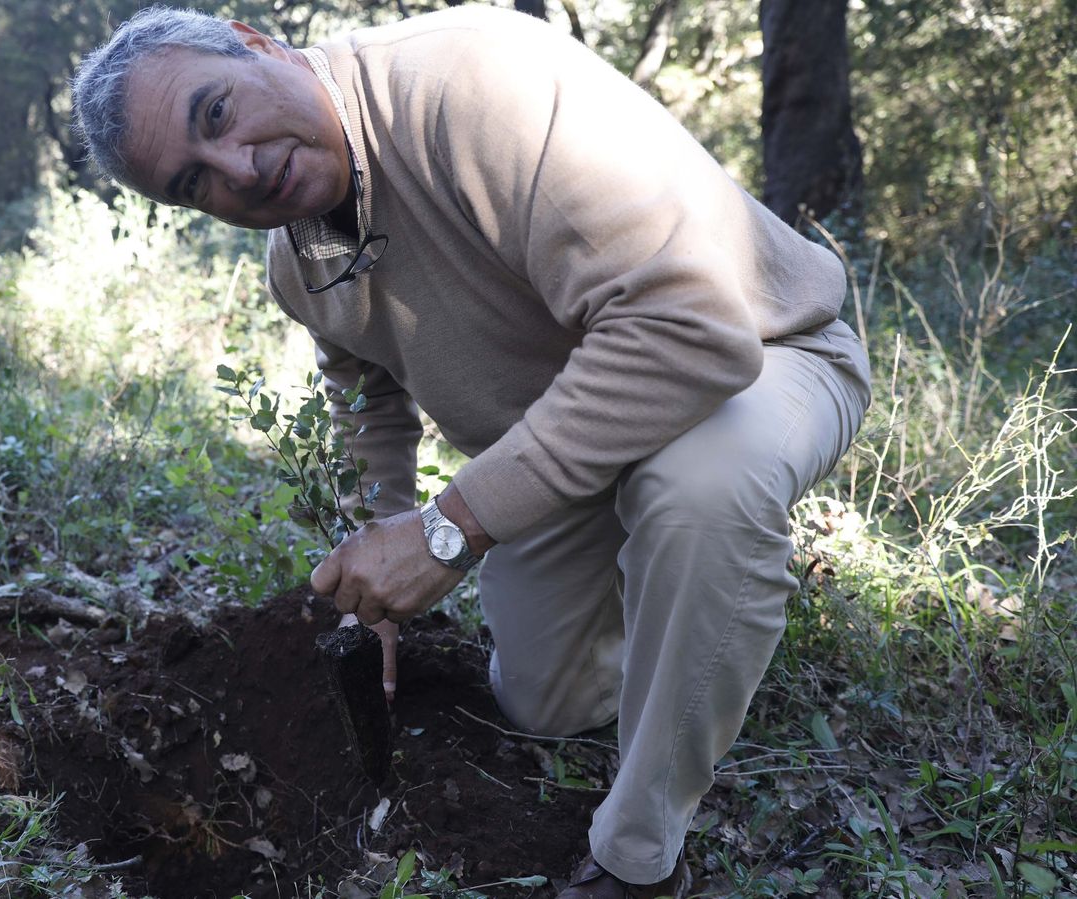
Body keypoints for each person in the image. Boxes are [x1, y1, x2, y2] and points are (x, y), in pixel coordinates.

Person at [71, 5, 871, 897]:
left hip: (760, 357)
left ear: (258, 44)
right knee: (547, 705)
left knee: (700, 492)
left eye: (214, 114)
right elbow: (367, 397)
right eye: (192, 184)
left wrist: (448, 528)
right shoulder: (300, 260)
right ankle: (674, 601)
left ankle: (641, 856)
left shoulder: (470, 85)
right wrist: (379, 550)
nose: (238, 170)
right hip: (574, 441)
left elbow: (693, 331)